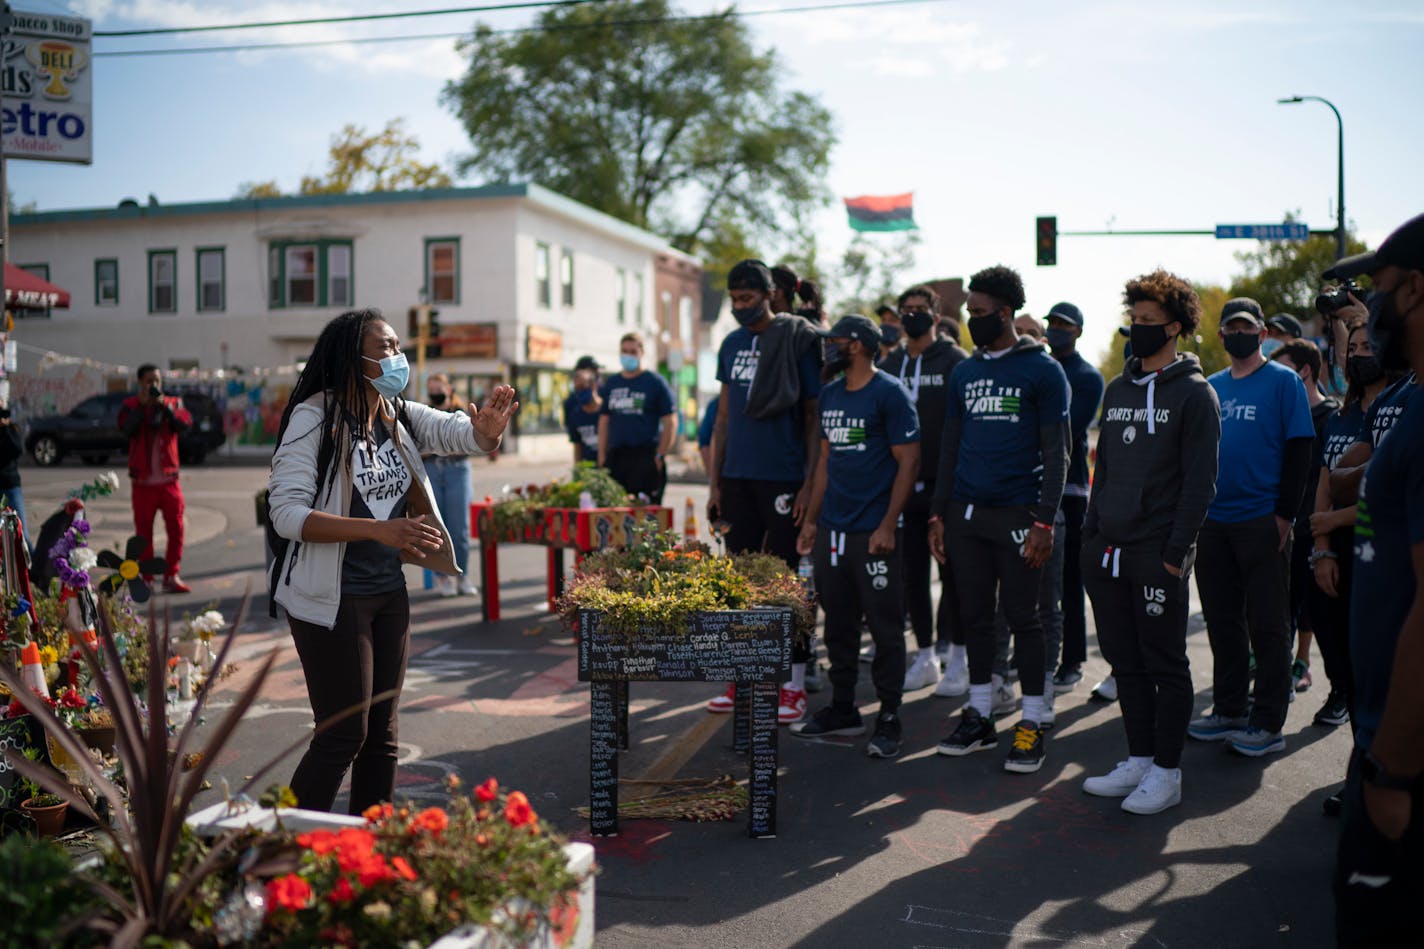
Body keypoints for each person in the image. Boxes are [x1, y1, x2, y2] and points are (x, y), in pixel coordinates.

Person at [266, 309, 516, 814]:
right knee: (343, 735)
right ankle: (278, 847)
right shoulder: (314, 416)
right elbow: (286, 515)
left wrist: (486, 434)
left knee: (381, 735)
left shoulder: (394, 412)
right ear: (350, 358)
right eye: (386, 348)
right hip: (329, 600)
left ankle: (368, 852)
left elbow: (456, 433)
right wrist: (379, 530)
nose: (398, 357)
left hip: (386, 593)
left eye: (399, 346)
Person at [1080, 270, 1220, 815]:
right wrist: (1092, 538)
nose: (1135, 330)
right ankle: (1138, 760)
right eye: (1132, 320)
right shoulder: (1117, 389)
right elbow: (1104, 470)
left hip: (1156, 554)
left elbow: (1200, 482)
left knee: (1164, 663)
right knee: (1125, 661)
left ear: (1177, 328)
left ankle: (1167, 772)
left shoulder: (1196, 394)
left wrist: (1174, 552)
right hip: (1108, 550)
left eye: (1147, 322)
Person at [1322, 211, 1424, 945]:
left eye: (1378, 293)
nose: (1369, 311)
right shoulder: (1404, 403)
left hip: (1404, 753)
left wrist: (1391, 765)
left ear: (1415, 291)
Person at [928, 265, 1070, 774]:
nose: (971, 319)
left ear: (1006, 313)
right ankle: (981, 714)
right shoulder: (965, 371)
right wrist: (938, 514)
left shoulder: (1043, 371)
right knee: (975, 618)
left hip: (1019, 515)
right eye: (968, 311)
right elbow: (950, 448)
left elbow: (1059, 454)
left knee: (1024, 616)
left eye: (980, 312)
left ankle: (1031, 721)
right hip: (966, 515)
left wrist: (1045, 521)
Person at [1187, 298, 1315, 757]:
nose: (1238, 334)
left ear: (1262, 335)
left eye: (1248, 327)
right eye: (1230, 329)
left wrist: (1285, 516)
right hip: (1214, 523)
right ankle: (1230, 709)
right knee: (1223, 622)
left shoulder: (1283, 381)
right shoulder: (1212, 386)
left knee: (1268, 625)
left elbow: (1301, 450)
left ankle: (1267, 723)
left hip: (1262, 521)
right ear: (1221, 338)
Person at [790, 314, 919, 758]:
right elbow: (825, 461)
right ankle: (843, 708)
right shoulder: (829, 395)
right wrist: (812, 520)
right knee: (838, 625)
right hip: (834, 532)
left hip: (875, 533)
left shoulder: (890, 393)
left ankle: (889, 716)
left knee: (884, 628)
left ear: (861, 345)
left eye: (838, 341)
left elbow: (908, 461)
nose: (830, 347)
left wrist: (887, 524)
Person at [706, 259, 822, 724]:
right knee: (739, 582)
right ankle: (743, 676)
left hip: (784, 478)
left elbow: (814, 419)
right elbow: (723, 418)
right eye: (734, 299)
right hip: (737, 478)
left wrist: (809, 486)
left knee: (787, 581)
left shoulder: (799, 338)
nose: (739, 307)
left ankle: (792, 684)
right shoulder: (731, 344)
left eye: (747, 299)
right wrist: (715, 481)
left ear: (770, 294)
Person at [1307, 326, 1397, 818]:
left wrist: (1336, 517)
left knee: (1375, 677)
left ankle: (1368, 777)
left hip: (1376, 551)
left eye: (1369, 347)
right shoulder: (1347, 413)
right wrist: (1322, 544)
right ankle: (1361, 770)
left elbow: (1383, 490)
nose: (1360, 356)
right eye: (1354, 348)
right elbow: (1328, 476)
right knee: (1344, 669)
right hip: (1335, 555)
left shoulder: (1400, 404)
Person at [878, 285, 968, 695]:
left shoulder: (954, 361)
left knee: (954, 575)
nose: (912, 315)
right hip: (902, 485)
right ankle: (926, 655)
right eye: (906, 310)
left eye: (920, 309)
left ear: (935, 315)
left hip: (944, 485)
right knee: (912, 575)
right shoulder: (891, 362)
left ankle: (959, 659)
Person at [1268, 339, 1338, 694]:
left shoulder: (1331, 418)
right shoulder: (1279, 416)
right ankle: (1275, 683)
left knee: (1317, 614)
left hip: (1316, 534)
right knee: (1278, 611)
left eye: (1280, 370)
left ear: (1304, 371)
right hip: (1281, 529)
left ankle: (1313, 670)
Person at [119, 365, 194, 593]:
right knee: (143, 533)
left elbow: (184, 425)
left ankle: (171, 575)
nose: (154, 385)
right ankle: (148, 577)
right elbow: (126, 429)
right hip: (142, 483)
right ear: (140, 383)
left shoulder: (173, 402)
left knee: (176, 528)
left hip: (169, 480)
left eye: (157, 381)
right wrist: (142, 407)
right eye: (149, 381)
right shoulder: (131, 405)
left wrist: (164, 407)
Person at [598, 333, 676, 504]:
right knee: (616, 512)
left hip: (645, 456)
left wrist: (660, 455)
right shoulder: (612, 383)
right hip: (617, 457)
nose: (628, 355)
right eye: (624, 351)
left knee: (646, 515)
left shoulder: (655, 382)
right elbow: (604, 421)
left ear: (642, 352)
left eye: (633, 351)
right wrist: (602, 456)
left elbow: (670, 421)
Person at [422, 373, 476, 598]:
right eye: (431, 389)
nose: (436, 393)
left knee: (460, 527)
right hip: (432, 470)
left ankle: (462, 574)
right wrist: (442, 447)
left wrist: (437, 447)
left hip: (457, 470)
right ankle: (442, 576)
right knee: (437, 526)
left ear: (449, 389)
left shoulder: (459, 414)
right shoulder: (423, 414)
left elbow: (469, 444)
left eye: (439, 388)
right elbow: (417, 447)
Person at [563, 355, 602, 464]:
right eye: (578, 388)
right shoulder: (572, 408)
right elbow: (577, 443)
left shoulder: (606, 407)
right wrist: (579, 470)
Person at [0, 407, 27, 548]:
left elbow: (18, 449)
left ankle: (32, 567)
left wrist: (6, 428)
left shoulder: (11, 430)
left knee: (21, 532)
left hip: (11, 486)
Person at [697, 393, 720, 478]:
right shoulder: (716, 405)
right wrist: (712, 477)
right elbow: (704, 442)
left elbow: (704, 442)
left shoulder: (716, 404)